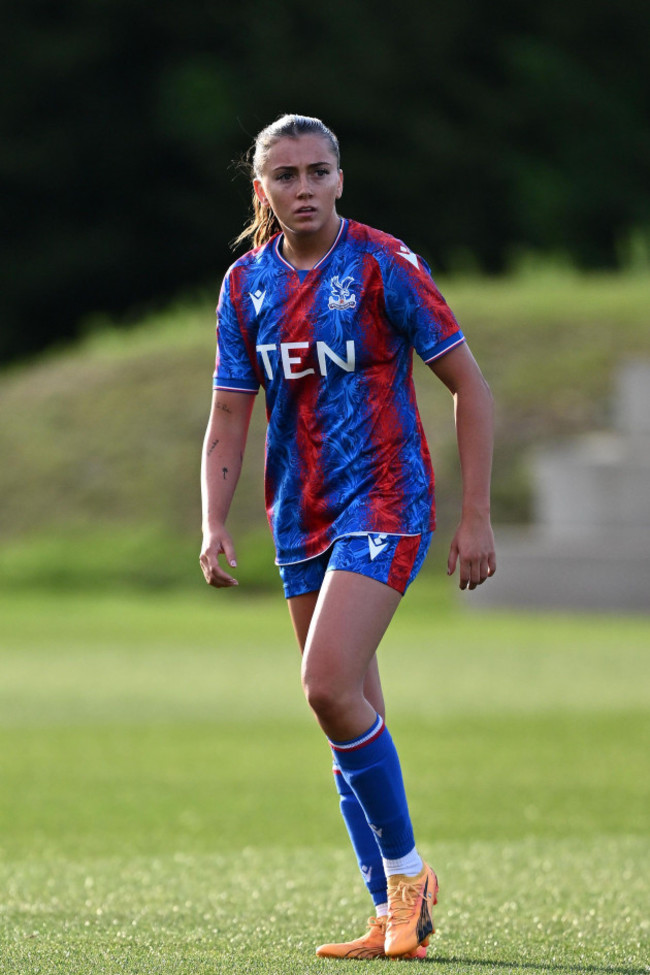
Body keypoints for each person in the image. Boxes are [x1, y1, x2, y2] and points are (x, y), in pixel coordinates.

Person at [200, 113, 496, 960]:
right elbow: (228, 414)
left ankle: (410, 879)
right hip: (301, 516)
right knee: (348, 714)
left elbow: (468, 386)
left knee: (325, 683)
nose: (303, 189)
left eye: (317, 172)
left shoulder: (382, 264)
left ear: (340, 179)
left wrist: (475, 512)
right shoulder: (244, 284)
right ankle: (388, 910)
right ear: (262, 189)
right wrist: (214, 518)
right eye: (284, 176)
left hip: (386, 499)